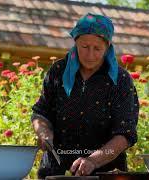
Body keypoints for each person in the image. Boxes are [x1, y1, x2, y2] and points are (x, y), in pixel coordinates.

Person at [31, 13, 139, 179]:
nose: (90, 55)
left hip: (105, 172)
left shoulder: (120, 80)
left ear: (108, 46)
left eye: (97, 49)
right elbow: (41, 113)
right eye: (84, 47)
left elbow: (125, 134)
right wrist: (43, 132)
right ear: (75, 42)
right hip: (56, 170)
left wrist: (93, 161)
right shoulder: (58, 72)